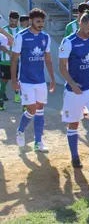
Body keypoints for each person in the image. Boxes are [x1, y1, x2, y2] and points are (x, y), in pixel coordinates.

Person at [59, 10, 89, 169]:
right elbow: (62, 67)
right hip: (74, 91)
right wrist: (72, 83)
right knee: (73, 124)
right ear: (81, 24)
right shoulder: (68, 41)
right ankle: (75, 157)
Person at [10, 8, 56, 152]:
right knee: (31, 109)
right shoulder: (21, 36)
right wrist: (13, 80)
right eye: (38, 21)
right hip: (25, 80)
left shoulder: (45, 37)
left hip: (40, 80)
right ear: (31, 21)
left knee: (40, 109)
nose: (41, 24)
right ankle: (21, 130)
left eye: (42, 21)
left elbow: (48, 59)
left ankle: (38, 142)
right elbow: (14, 59)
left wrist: (53, 79)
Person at [1, 11, 22, 105]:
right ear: (9, 19)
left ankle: (17, 95)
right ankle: (1, 97)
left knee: (17, 79)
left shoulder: (20, 31)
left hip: (17, 61)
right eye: (11, 21)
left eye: (15, 21)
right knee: (4, 79)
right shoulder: (3, 30)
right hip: (4, 60)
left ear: (18, 21)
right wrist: (8, 52)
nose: (13, 23)